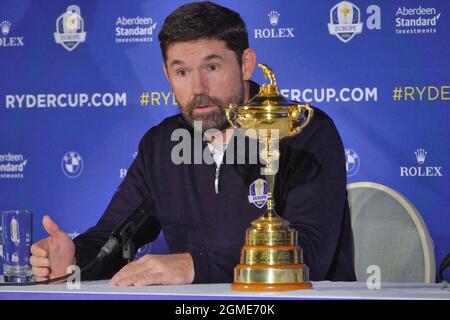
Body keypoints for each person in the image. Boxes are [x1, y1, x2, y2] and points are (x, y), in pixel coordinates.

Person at [30, 1, 356, 286]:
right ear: (167, 74)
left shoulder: (304, 131)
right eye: (182, 72)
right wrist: (74, 259)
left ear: (245, 63)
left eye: (212, 67)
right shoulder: (161, 144)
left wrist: (195, 266)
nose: (198, 87)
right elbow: (112, 239)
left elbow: (311, 254)